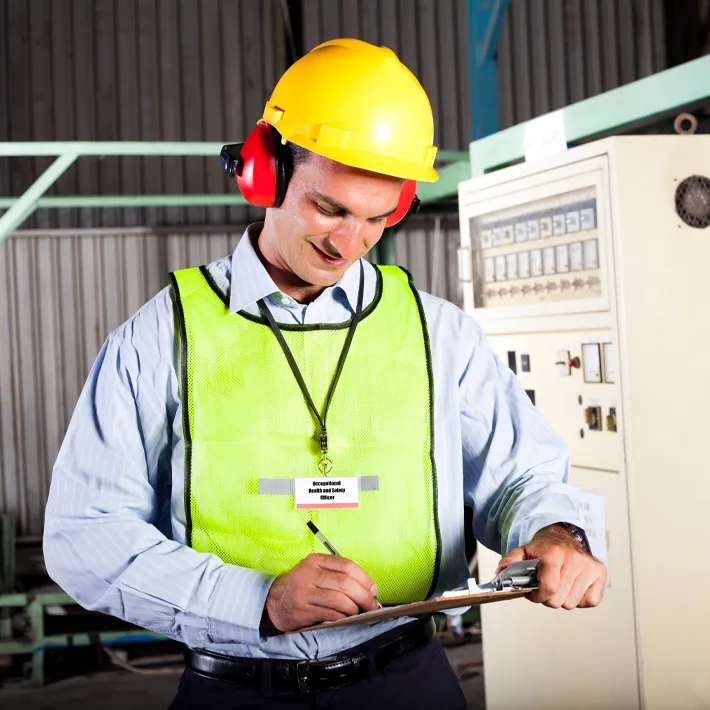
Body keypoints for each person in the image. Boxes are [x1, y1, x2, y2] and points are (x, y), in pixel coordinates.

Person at [44, 38, 607, 709]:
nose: (348, 243)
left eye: (377, 218)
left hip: (410, 681)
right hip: (237, 689)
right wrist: (260, 599)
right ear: (264, 170)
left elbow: (521, 475)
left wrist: (555, 533)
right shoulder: (159, 338)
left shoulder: (439, 335)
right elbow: (85, 536)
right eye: (330, 209)